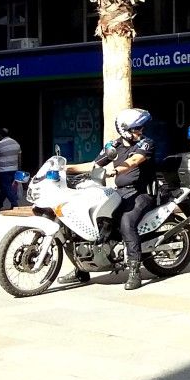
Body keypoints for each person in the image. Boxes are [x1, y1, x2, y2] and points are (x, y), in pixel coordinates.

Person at [61, 108, 156, 291]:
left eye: (141, 128)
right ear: (124, 130)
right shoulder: (114, 146)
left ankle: (135, 271)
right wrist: (66, 169)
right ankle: (81, 269)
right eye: (137, 128)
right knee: (89, 219)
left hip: (143, 193)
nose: (141, 131)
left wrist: (115, 170)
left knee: (127, 221)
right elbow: (94, 164)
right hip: (120, 192)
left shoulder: (146, 144)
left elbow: (135, 161)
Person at [0, 127, 22, 210]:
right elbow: (19, 157)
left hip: (3, 170)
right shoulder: (16, 143)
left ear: (0, 136)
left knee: (7, 187)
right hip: (14, 169)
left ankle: (14, 204)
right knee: (5, 188)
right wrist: (19, 168)